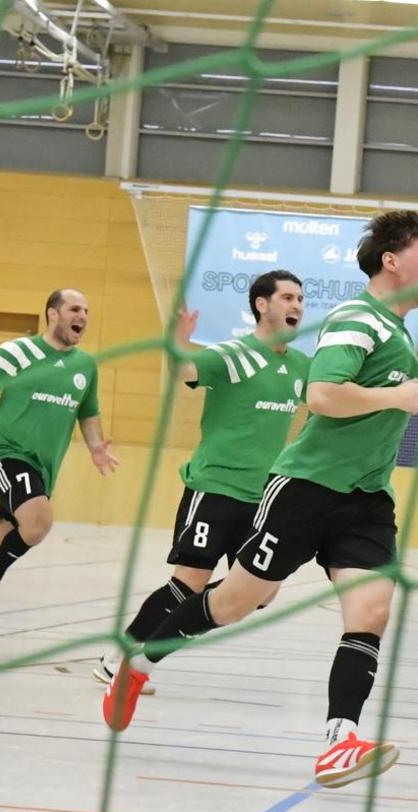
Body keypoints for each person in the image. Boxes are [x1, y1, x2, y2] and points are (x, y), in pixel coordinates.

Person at [101, 210, 418, 790]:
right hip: (306, 489)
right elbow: (325, 395)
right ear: (392, 260)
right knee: (232, 602)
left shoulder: (396, 332)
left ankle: (339, 741)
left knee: (372, 613)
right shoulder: (359, 318)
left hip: (366, 498)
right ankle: (138, 661)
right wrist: (398, 397)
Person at [95, 271, 309, 687]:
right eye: (287, 297)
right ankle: (121, 654)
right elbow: (184, 369)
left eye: (301, 298)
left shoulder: (302, 365)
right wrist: (175, 344)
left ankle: (159, 639)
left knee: (261, 594)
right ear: (262, 305)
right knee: (189, 580)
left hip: (262, 497)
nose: (297, 305)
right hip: (215, 488)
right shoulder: (233, 354)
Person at [0, 288, 117, 651]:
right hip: (7, 455)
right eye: (74, 309)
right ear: (53, 313)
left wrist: (96, 446)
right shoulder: (18, 352)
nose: (82, 316)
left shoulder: (85, 365)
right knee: (39, 522)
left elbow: (88, 412)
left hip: (44, 470)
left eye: (86, 311)